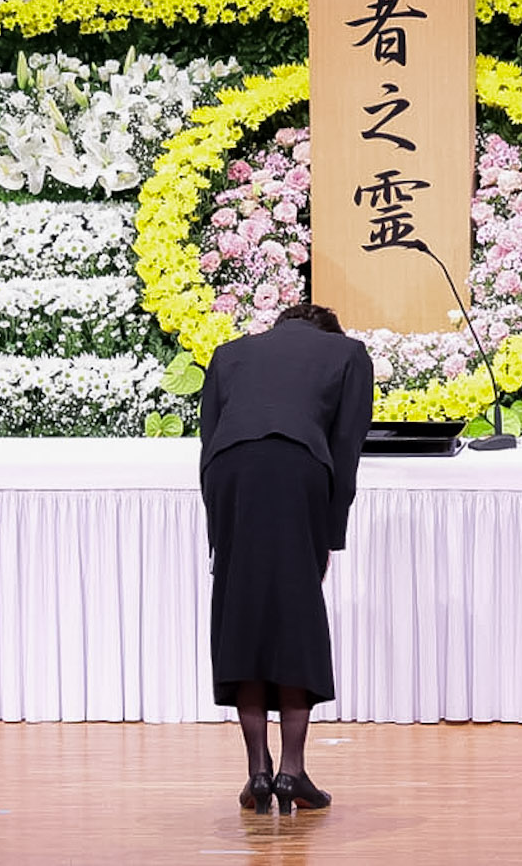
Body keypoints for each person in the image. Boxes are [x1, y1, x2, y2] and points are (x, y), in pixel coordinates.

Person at [196, 295, 374, 817]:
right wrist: (328, 538)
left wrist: (218, 538)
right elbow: (345, 449)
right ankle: (291, 772)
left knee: (242, 612)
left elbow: (209, 444)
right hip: (297, 469)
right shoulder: (347, 354)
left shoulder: (230, 354)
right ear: (330, 331)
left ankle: (258, 771)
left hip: (230, 475)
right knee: (295, 616)